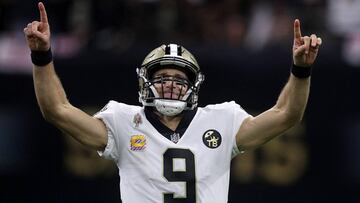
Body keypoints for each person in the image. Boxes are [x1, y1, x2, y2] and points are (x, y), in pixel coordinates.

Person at [24, 2, 322, 203]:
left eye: (179, 79)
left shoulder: (222, 120)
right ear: (146, 81)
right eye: (163, 76)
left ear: (192, 86)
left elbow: (286, 115)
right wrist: (42, 56)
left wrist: (301, 70)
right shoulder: (123, 120)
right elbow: (57, 110)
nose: (170, 84)